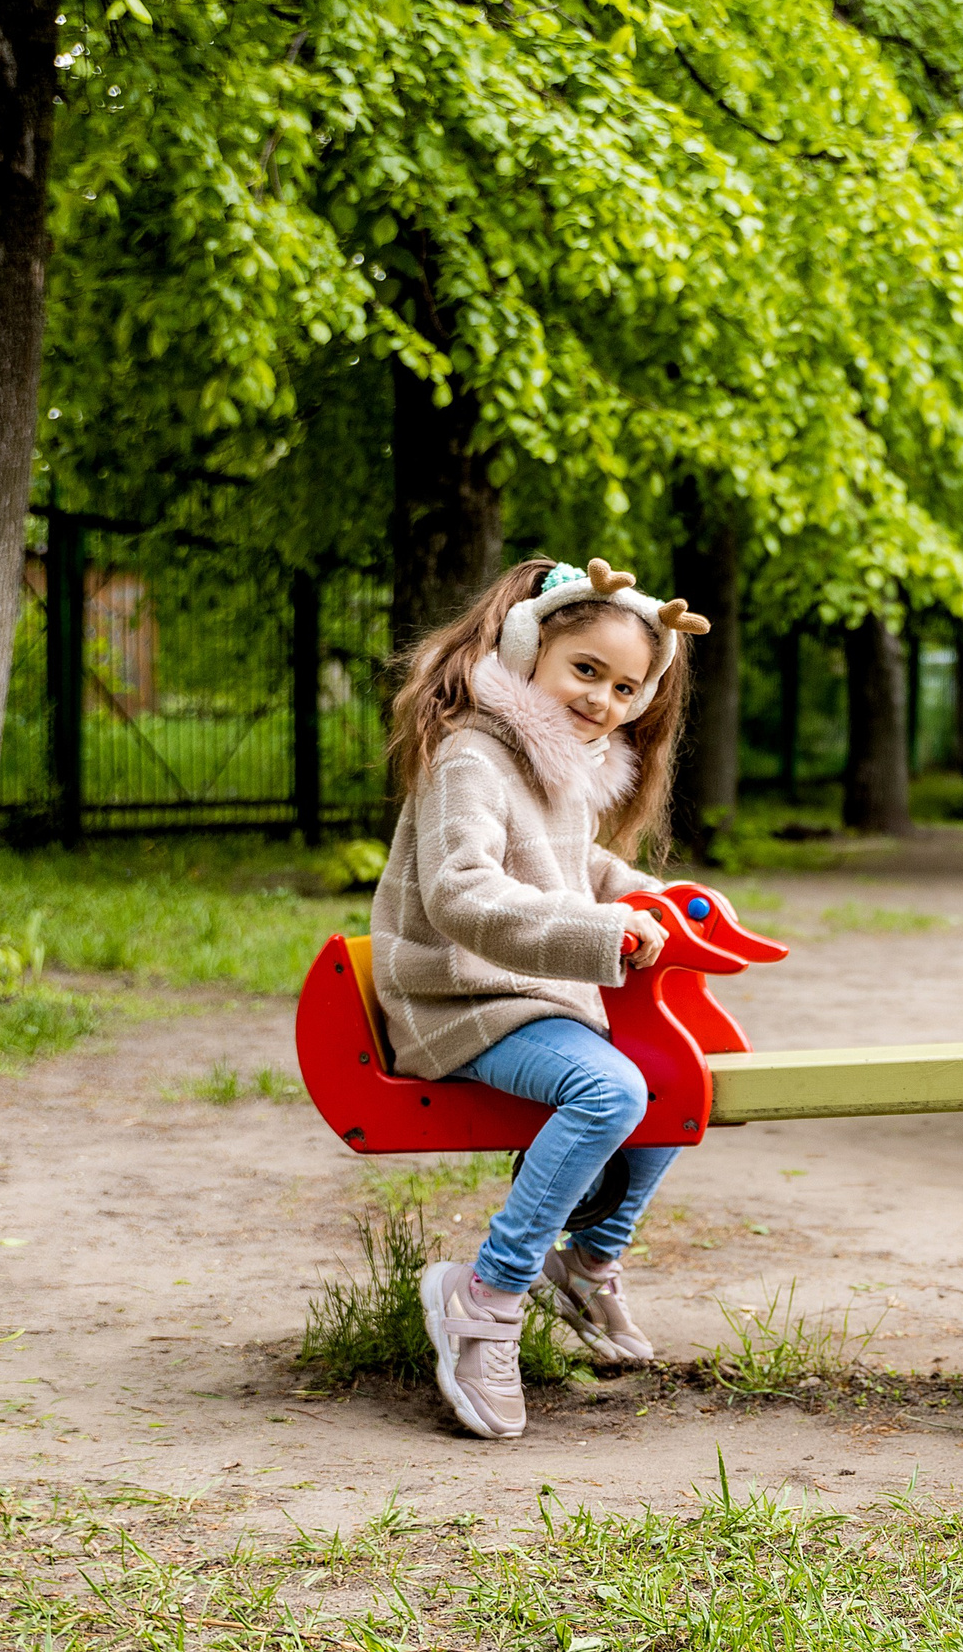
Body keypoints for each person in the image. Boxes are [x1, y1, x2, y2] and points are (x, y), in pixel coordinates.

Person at [372, 556, 713, 1438]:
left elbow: (574, 865)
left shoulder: (562, 765)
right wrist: (602, 934)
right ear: (529, 652)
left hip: (528, 996)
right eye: (585, 670)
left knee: (677, 1078)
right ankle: (485, 1293)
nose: (601, 698)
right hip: (456, 998)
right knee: (612, 1089)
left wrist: (646, 895)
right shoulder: (472, 757)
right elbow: (463, 893)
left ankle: (587, 1260)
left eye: (625, 686)